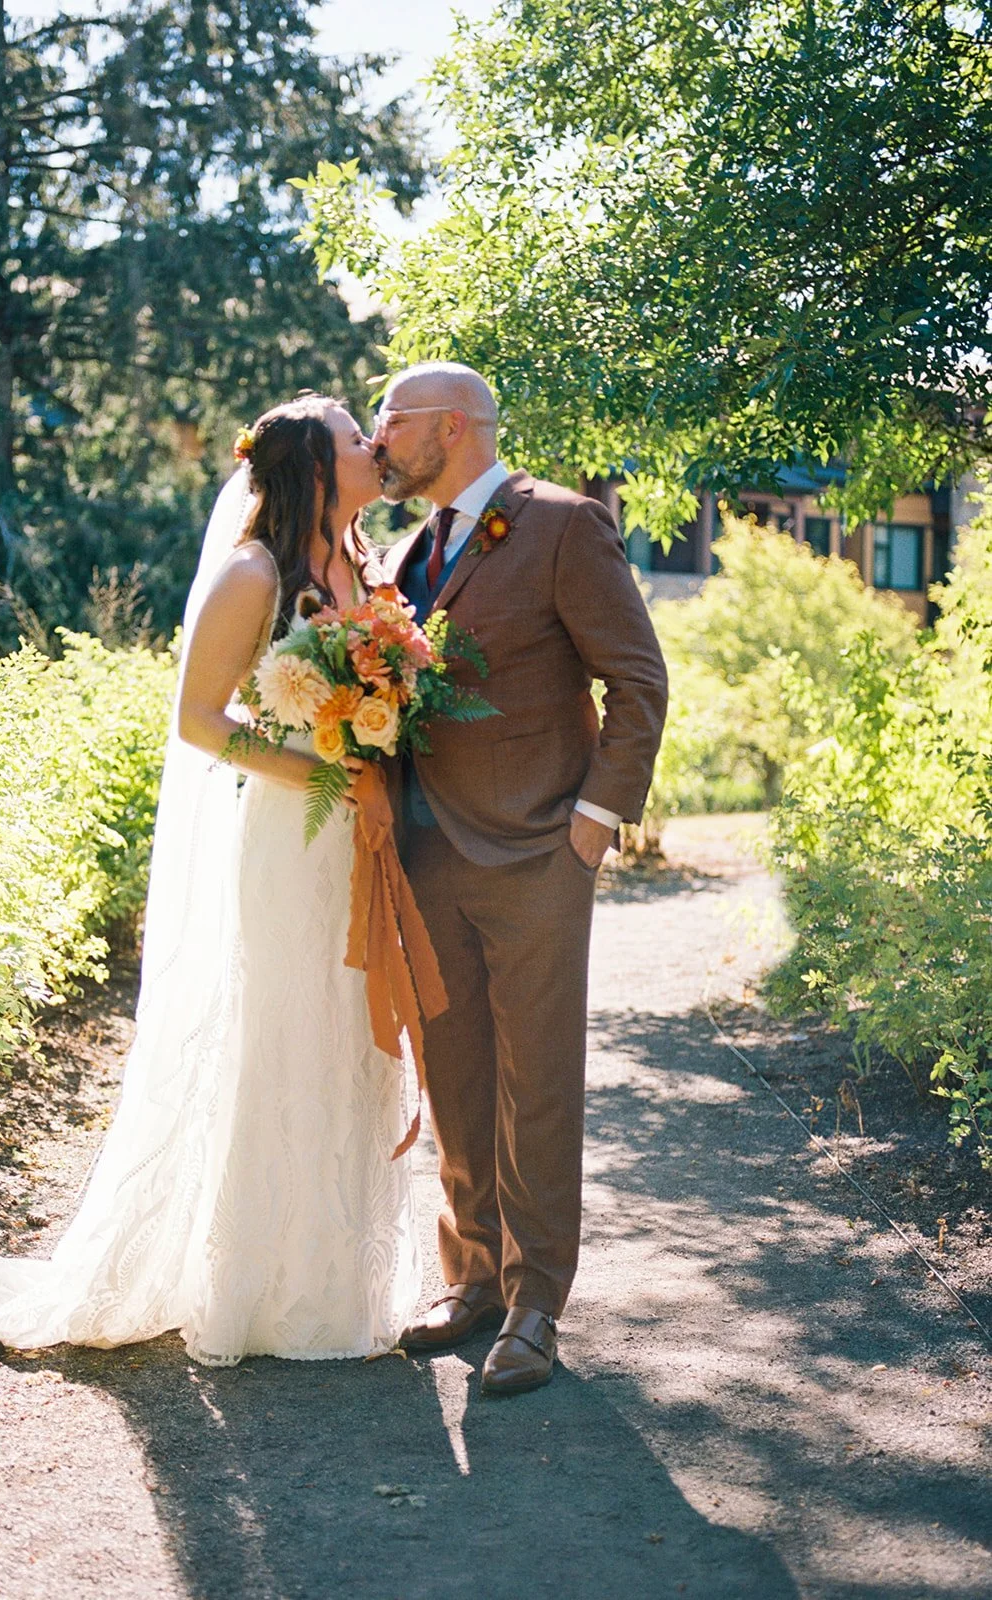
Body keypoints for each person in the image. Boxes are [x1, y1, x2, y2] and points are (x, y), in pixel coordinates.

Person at [0, 395, 421, 1366]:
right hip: (291, 837)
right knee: (286, 1032)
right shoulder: (251, 575)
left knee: (354, 1033)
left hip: (364, 834)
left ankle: (336, 1286)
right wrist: (326, 771)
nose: (374, 446)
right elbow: (201, 721)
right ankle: (257, 1291)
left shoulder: (360, 567)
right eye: (356, 437)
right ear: (312, 463)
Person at [375, 363, 668, 1395]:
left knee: (534, 1081)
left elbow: (636, 678)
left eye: (390, 419)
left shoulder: (561, 525)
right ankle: (474, 1281)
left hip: (539, 851)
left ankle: (538, 1296)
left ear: (448, 426)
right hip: (425, 857)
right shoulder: (408, 548)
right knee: (453, 1077)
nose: (378, 438)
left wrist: (590, 825)